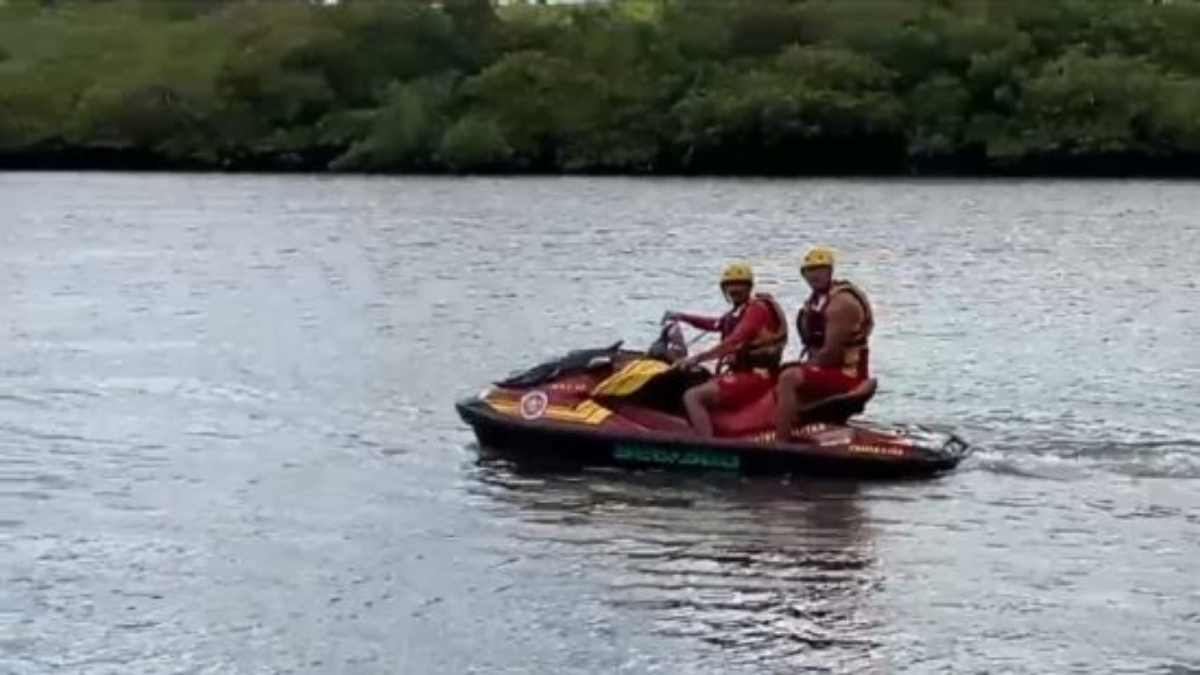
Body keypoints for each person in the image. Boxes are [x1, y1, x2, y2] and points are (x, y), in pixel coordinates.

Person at [664, 262, 788, 437]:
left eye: (740, 284)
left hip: (756, 376)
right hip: (740, 373)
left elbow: (734, 341)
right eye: (730, 285)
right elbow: (715, 324)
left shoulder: (757, 310)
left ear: (749, 287)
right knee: (694, 379)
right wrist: (682, 317)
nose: (734, 289)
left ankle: (706, 445)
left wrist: (697, 358)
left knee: (693, 396)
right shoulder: (737, 312)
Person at [775, 246, 874, 440]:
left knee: (788, 378)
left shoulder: (842, 304)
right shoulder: (815, 302)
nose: (815, 275)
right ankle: (794, 425)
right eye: (810, 271)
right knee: (782, 371)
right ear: (803, 275)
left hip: (848, 374)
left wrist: (803, 367)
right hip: (828, 369)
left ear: (830, 271)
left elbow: (831, 354)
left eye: (821, 269)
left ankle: (781, 441)